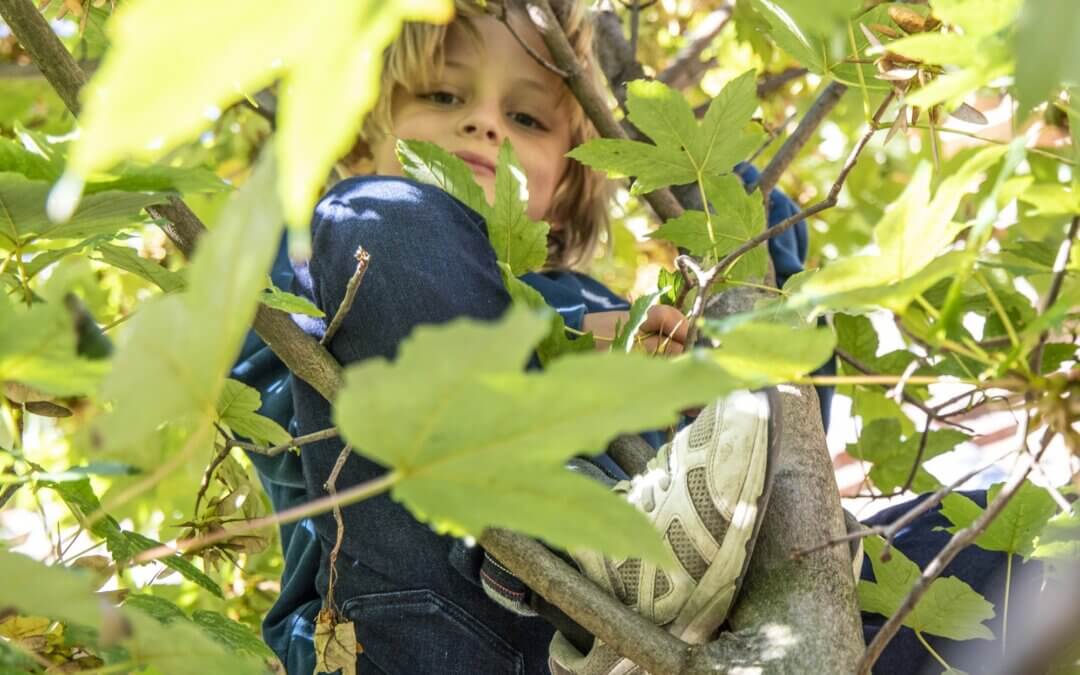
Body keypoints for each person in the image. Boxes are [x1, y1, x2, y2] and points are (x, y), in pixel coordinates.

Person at [228, 1, 823, 673]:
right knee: (387, 216)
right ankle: (564, 533)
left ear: (571, 181)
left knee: (957, 528)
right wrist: (559, 348)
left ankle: (608, 557)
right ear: (363, 136)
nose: (483, 122)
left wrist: (725, 201)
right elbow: (263, 404)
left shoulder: (616, 312)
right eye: (443, 94)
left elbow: (794, 465)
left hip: (650, 638)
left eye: (527, 118)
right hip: (419, 612)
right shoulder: (345, 240)